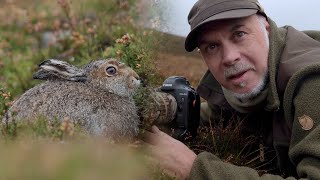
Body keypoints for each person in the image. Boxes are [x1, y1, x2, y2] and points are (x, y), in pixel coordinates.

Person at [144, 0, 320, 179]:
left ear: (266, 26)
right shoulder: (238, 83)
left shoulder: (313, 82)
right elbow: (213, 114)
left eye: (239, 34)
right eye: (212, 46)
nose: (229, 57)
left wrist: (196, 170)